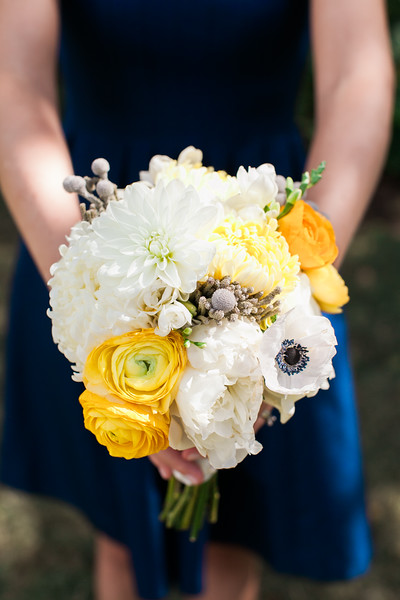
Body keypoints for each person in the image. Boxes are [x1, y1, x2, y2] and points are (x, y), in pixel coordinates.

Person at [0, 1, 394, 599]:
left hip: (262, 226)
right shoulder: (85, 252)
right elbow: (15, 82)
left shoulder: (274, 269)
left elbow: (355, 78)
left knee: (231, 542)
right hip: (89, 224)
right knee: (123, 535)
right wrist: (102, 300)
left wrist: (284, 296)